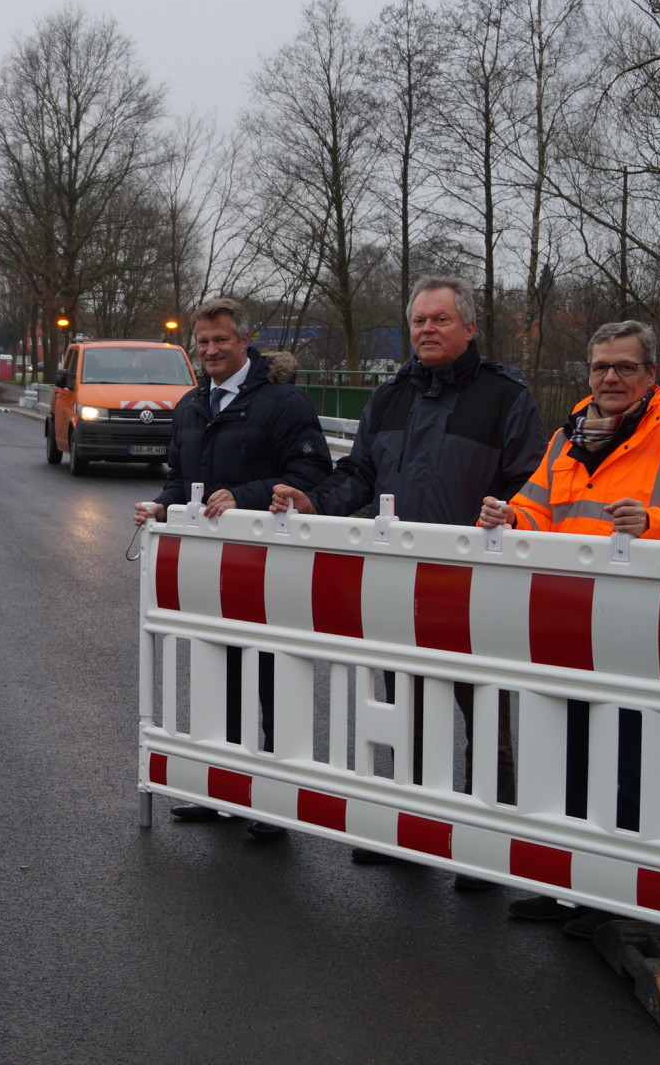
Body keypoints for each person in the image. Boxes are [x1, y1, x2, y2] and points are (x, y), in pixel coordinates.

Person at [270, 274, 545, 887]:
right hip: (402, 582)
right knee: (409, 710)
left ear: (469, 328)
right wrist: (313, 504)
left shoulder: (505, 397)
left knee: (485, 711)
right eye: (419, 320)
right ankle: (414, 830)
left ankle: (484, 842)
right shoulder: (391, 395)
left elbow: (533, 482)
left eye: (440, 320)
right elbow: (359, 474)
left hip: (480, 583)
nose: (427, 330)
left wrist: (511, 519)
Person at [478, 320, 660, 936]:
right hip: (564, 620)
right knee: (564, 759)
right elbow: (539, 507)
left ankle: (615, 896)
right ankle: (568, 885)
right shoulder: (567, 440)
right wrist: (509, 513)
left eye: (625, 367)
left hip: (639, 629)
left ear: (650, 377)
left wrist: (655, 522)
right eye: (599, 368)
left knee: (624, 765)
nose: (610, 378)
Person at [134, 298, 332, 840]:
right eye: (202, 342)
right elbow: (182, 479)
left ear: (245, 340)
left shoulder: (284, 402)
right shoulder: (193, 404)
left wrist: (244, 496)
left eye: (221, 340)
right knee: (218, 677)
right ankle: (223, 790)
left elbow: (312, 471)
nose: (211, 350)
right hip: (208, 568)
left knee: (269, 680)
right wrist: (160, 505)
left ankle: (269, 802)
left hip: (267, 567)